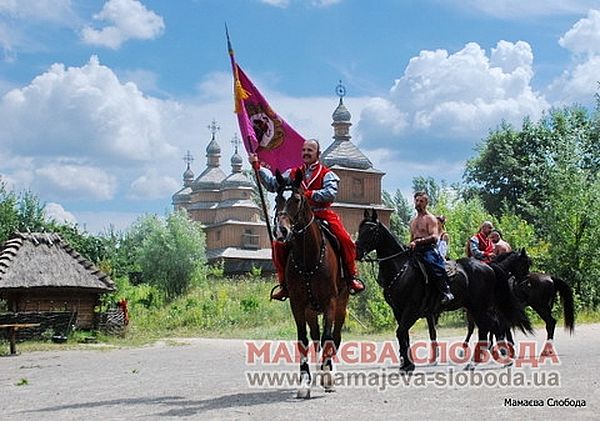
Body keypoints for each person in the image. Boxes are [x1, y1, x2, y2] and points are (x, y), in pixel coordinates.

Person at [249, 138, 365, 301]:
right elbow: (272, 185)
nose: (306, 153)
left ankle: (351, 277)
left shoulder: (327, 174)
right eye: (304, 150)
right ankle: (283, 285)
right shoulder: (292, 173)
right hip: (298, 217)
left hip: (321, 213)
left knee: (346, 240)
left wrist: (308, 195)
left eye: (310, 150)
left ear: (318, 153)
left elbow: (330, 193)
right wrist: (257, 167)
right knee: (279, 245)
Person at [409, 192, 454, 305]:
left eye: (421, 201)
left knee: (433, 264)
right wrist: (409, 245)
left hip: (428, 249)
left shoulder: (431, 219)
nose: (418, 203)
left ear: (426, 203)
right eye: (417, 200)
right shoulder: (413, 221)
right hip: (415, 250)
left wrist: (418, 242)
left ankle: (446, 291)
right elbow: (411, 238)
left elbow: (434, 237)